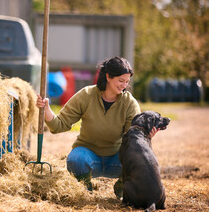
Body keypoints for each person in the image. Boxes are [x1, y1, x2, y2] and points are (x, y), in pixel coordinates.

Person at [36, 57, 160, 195]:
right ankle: (84, 189)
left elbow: (132, 138)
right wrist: (46, 109)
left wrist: (146, 137)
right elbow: (59, 125)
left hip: (117, 160)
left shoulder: (129, 103)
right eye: (120, 80)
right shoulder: (87, 95)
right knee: (75, 159)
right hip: (88, 156)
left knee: (138, 159)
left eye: (127, 81)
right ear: (108, 76)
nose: (124, 85)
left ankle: (124, 187)